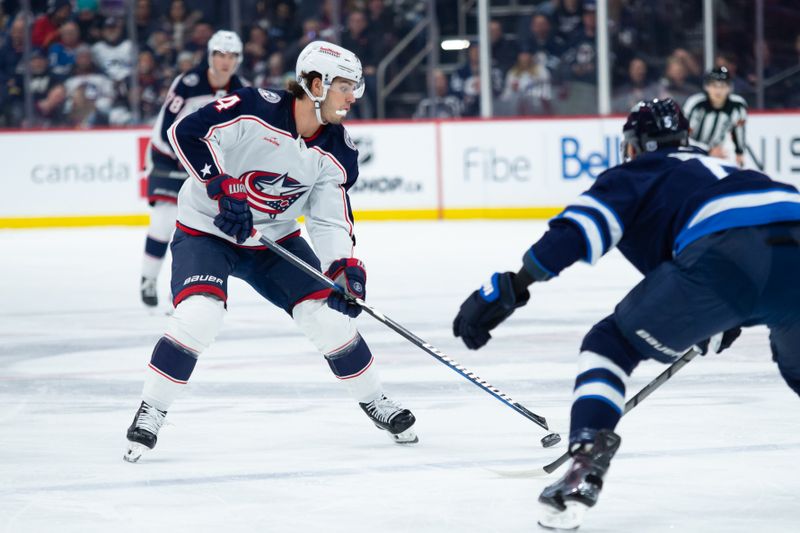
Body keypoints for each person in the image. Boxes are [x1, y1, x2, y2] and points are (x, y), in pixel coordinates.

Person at [452, 98, 800, 530]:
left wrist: (510, 288)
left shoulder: (637, 171)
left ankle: (584, 461)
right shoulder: (731, 170)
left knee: (609, 344)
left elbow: (574, 234)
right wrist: (723, 316)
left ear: (633, 146)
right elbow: (766, 250)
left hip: (724, 253)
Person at [124, 40, 418, 463]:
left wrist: (343, 267)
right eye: (346, 86)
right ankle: (152, 408)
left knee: (328, 318)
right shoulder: (254, 108)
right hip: (209, 228)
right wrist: (220, 186)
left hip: (274, 240)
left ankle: (375, 400)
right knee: (200, 315)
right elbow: (186, 131)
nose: (354, 97)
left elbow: (330, 218)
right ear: (316, 84)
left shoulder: (338, 151)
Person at [139, 30, 245, 308]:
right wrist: (186, 158)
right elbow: (166, 129)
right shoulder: (188, 82)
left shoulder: (242, 90)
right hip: (168, 155)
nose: (225, 61)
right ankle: (148, 279)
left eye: (231, 56)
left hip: (204, 162)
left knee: (206, 225)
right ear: (209, 56)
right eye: (220, 54)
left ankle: (202, 285)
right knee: (164, 218)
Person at [683, 66, 748, 168]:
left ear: (729, 87)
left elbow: (738, 131)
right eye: (714, 86)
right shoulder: (695, 104)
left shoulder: (738, 106)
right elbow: (683, 136)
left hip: (716, 155)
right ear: (707, 87)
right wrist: (707, 150)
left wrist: (739, 153)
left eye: (722, 86)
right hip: (689, 155)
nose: (718, 91)